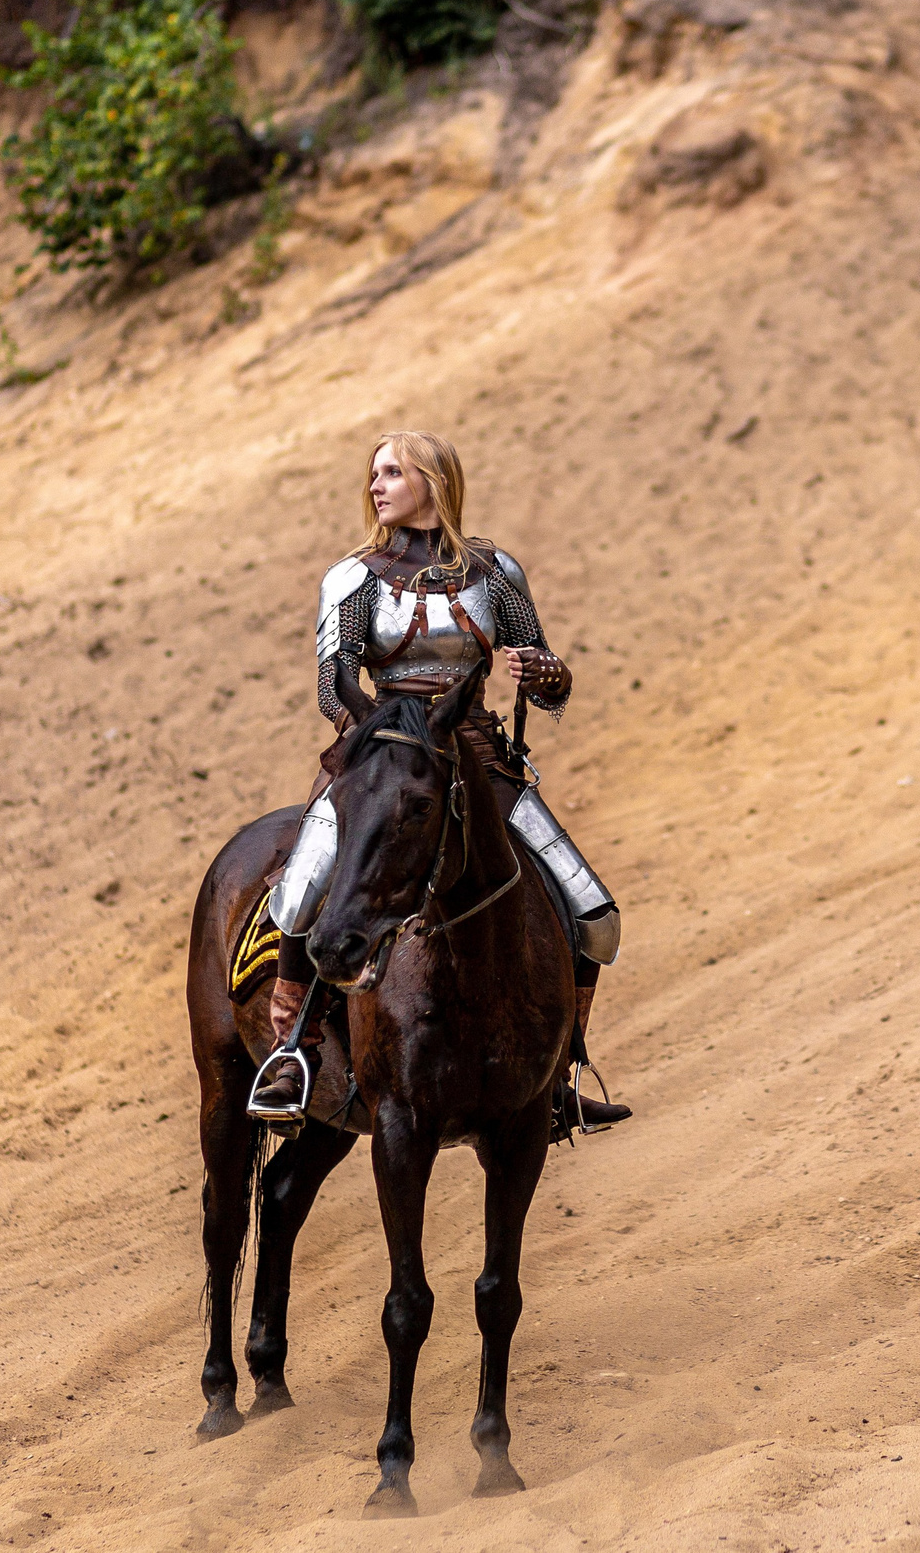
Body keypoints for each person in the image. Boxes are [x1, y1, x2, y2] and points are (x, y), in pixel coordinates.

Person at [243, 430, 632, 1137]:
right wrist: (380, 732)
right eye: (374, 474)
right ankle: (292, 1052)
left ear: (432, 480)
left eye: (392, 471)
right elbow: (334, 686)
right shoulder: (352, 578)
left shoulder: (494, 570)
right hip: (381, 763)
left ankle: (562, 1068)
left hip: (477, 762)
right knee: (301, 890)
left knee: (595, 914)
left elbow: (547, 677)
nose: (377, 485)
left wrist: (546, 674)